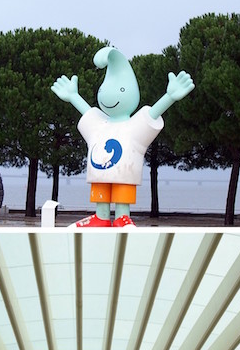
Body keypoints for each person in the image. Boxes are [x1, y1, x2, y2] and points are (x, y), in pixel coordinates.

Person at [52, 46, 194, 227]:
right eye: (104, 89)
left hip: (124, 173)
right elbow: (88, 113)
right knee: (100, 186)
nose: (109, 96)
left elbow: (152, 114)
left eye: (120, 89)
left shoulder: (134, 126)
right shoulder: (99, 124)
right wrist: (73, 96)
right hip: (100, 173)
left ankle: (122, 216)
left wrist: (169, 97)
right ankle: (101, 216)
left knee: (122, 187)